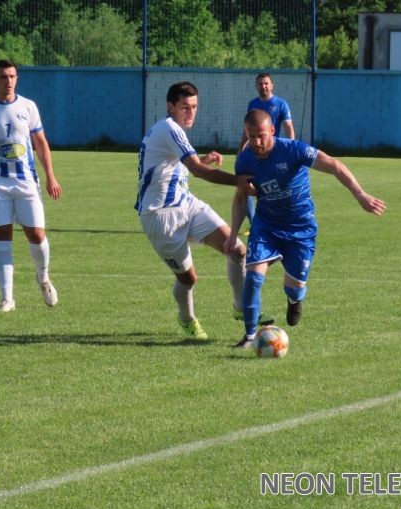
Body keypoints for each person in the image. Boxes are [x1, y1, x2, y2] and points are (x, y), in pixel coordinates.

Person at [227, 110, 386, 349]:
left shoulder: (294, 150)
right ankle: (249, 337)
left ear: (272, 131)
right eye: (251, 137)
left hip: (300, 229)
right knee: (253, 278)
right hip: (267, 226)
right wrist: (232, 234)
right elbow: (241, 197)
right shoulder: (245, 160)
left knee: (294, 287)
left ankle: (294, 300)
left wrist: (360, 195)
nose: (257, 142)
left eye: (261, 136)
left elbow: (334, 166)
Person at [136, 81, 261, 341]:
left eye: (194, 107)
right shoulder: (170, 128)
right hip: (159, 216)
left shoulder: (170, 129)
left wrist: (202, 160)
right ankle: (187, 319)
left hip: (186, 204)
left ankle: (241, 308)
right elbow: (197, 171)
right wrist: (237, 181)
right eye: (185, 107)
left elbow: (174, 167)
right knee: (188, 279)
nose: (191, 112)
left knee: (237, 249)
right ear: (171, 106)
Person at [0, 59, 62, 312]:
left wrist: (51, 176)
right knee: (2, 236)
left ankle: (43, 277)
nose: (8, 81)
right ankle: (7, 299)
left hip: (26, 182)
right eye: (3, 77)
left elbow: (40, 143)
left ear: (17, 79)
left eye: (12, 76)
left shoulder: (28, 107)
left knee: (37, 234)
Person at [239, 73, 295, 223]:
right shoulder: (252, 104)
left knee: (272, 187)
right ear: (256, 86)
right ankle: (253, 222)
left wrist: (291, 146)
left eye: (266, 83)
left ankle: (277, 218)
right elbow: (247, 130)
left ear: (271, 85)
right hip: (253, 152)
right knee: (245, 183)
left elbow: (288, 126)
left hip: (272, 152)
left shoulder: (281, 104)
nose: (263, 86)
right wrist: (241, 148)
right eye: (260, 83)